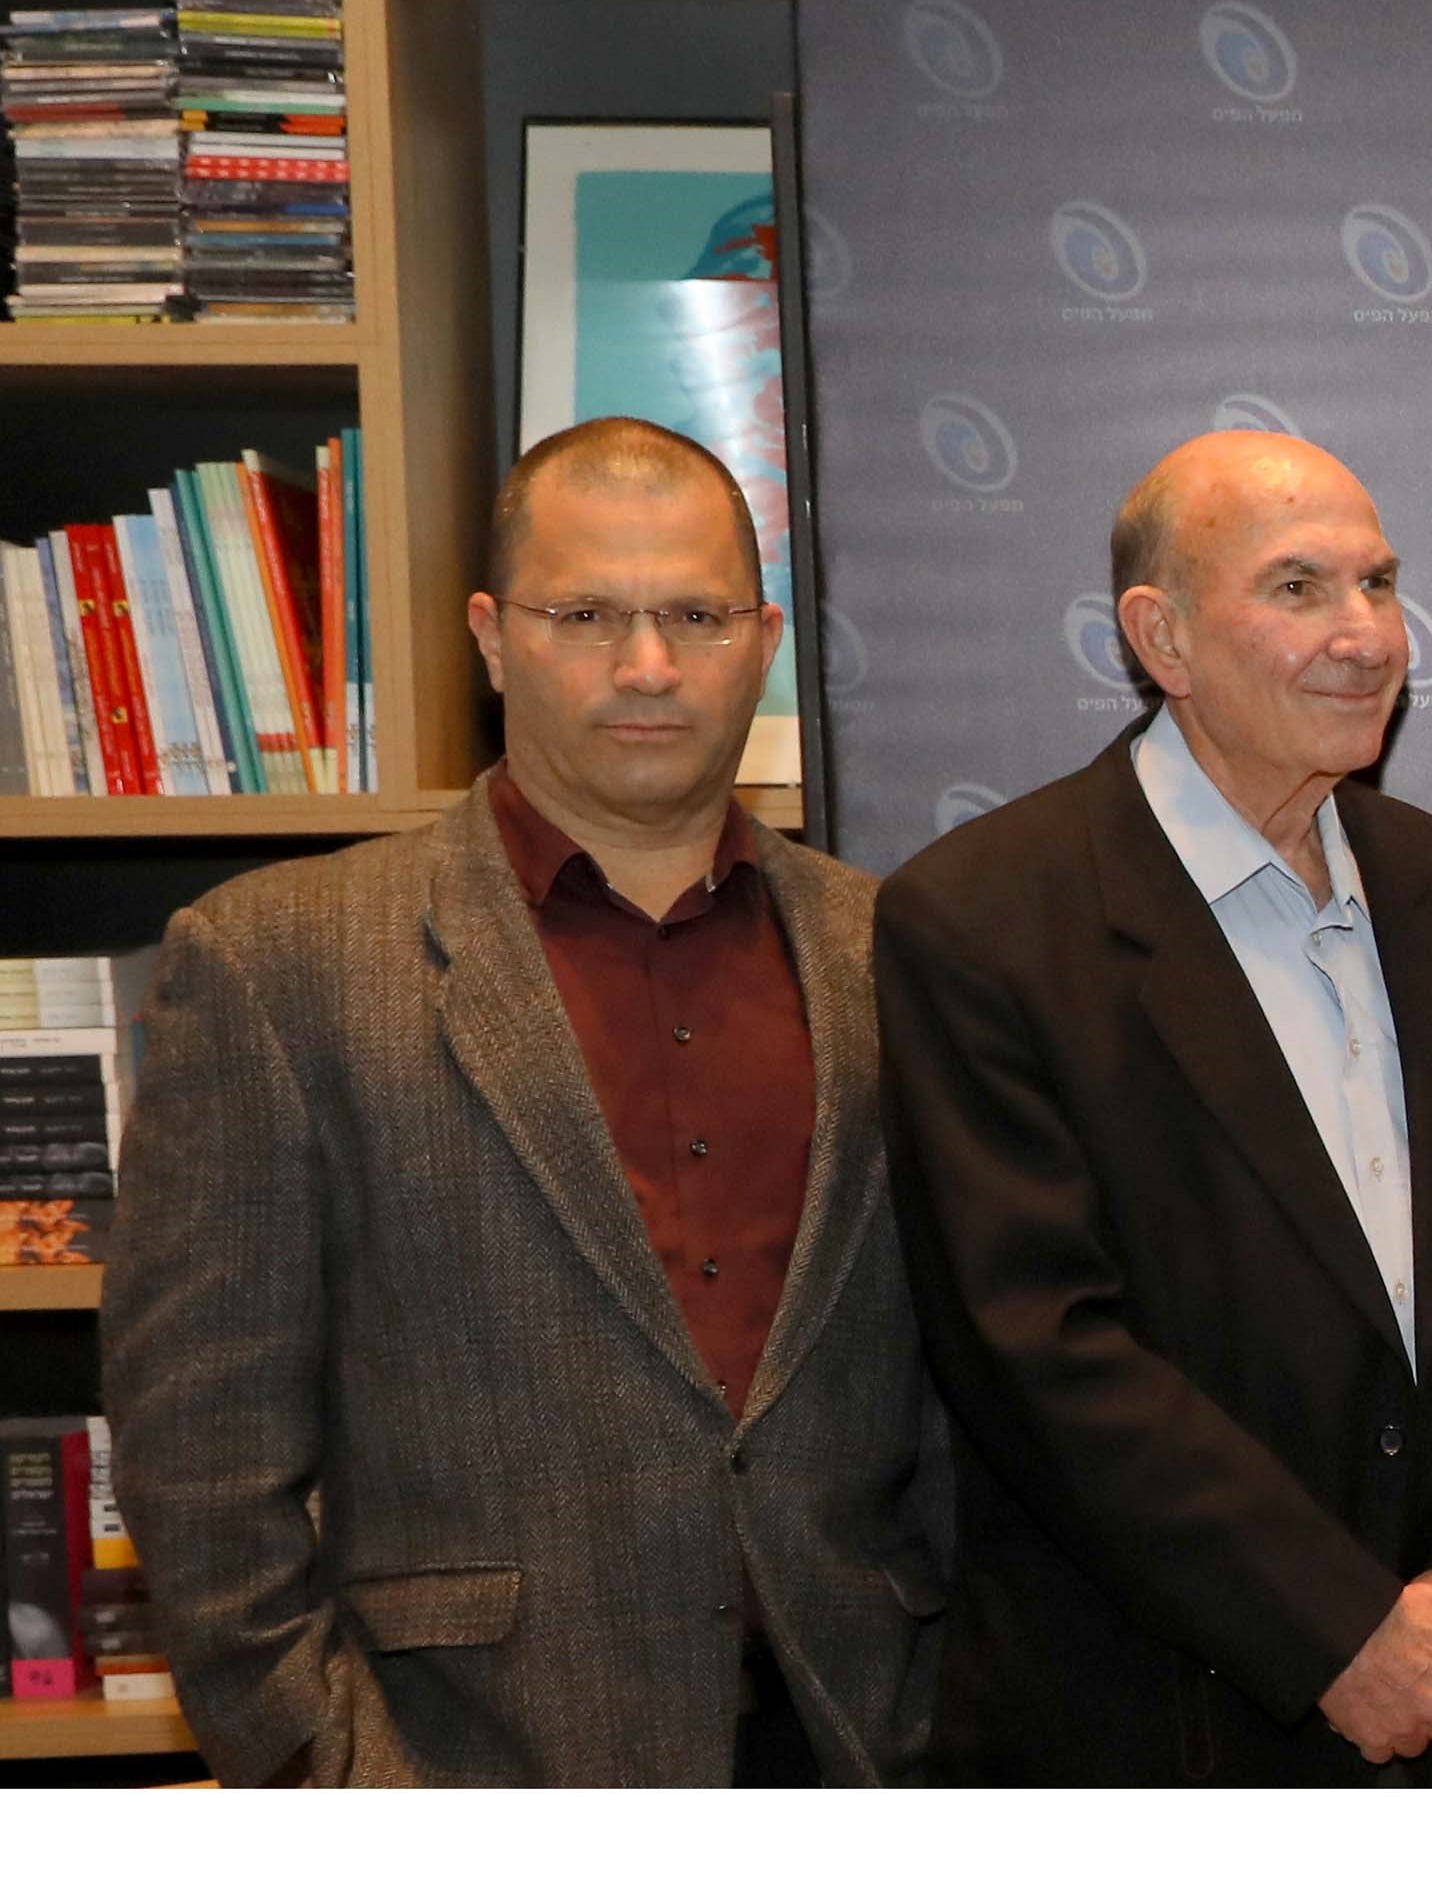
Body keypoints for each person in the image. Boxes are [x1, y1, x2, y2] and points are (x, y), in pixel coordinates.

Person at [106, 417, 945, 1785]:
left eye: (695, 614)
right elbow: (203, 1461)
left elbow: (964, 1404)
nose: (648, 663)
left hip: (864, 1745)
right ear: (492, 638)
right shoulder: (279, 962)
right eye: (586, 614)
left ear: (765, 639)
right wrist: (335, 1785)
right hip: (467, 1762)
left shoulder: (895, 952)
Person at [878, 431, 1432, 1784]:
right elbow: (1038, 1348)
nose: (1366, 634)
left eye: (1377, 582)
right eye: (1297, 587)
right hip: (1159, 1724)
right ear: (1161, 636)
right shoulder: (983, 919)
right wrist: (1337, 1629)